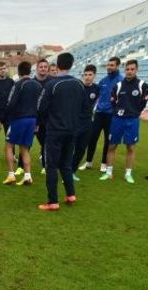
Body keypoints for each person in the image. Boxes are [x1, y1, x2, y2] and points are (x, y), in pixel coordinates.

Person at [37, 52, 89, 211]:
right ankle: (71, 195)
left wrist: (45, 121)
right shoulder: (79, 84)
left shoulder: (52, 85)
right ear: (71, 65)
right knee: (66, 164)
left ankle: (53, 201)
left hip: (55, 131)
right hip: (72, 131)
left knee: (51, 166)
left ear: (57, 65)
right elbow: (86, 109)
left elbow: (41, 107)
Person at [100, 59, 148, 183]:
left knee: (130, 147)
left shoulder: (142, 85)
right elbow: (113, 102)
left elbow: (143, 102)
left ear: (137, 70)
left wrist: (134, 112)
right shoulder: (118, 85)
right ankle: (108, 172)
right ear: (124, 70)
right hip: (117, 119)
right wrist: (119, 112)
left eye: (132, 69)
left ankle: (128, 173)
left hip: (132, 120)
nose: (129, 71)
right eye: (127, 69)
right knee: (112, 146)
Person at [2, 61, 43, 186]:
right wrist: (37, 122)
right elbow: (40, 105)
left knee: (9, 146)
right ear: (30, 71)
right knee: (24, 148)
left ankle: (11, 175)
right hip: (32, 120)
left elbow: (11, 103)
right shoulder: (38, 85)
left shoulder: (18, 85)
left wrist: (4, 117)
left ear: (19, 71)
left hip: (19, 119)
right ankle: (27, 176)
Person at [81, 57, 123, 172]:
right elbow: (96, 97)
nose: (109, 67)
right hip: (99, 113)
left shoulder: (121, 81)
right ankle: (88, 162)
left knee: (107, 141)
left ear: (117, 66)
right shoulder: (103, 81)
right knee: (92, 138)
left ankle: (104, 164)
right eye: (108, 65)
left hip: (111, 115)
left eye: (112, 65)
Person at [71, 64, 100, 181]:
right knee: (70, 148)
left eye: (90, 75)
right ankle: (65, 170)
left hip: (88, 123)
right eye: (85, 74)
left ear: (94, 76)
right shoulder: (78, 87)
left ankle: (72, 171)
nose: (87, 77)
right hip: (75, 122)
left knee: (81, 149)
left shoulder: (97, 89)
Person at [34, 58, 51, 173]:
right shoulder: (32, 82)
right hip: (33, 119)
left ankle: (45, 166)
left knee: (46, 142)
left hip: (48, 119)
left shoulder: (52, 82)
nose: (43, 69)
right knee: (26, 143)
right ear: (37, 68)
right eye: (41, 67)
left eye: (45, 67)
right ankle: (21, 166)